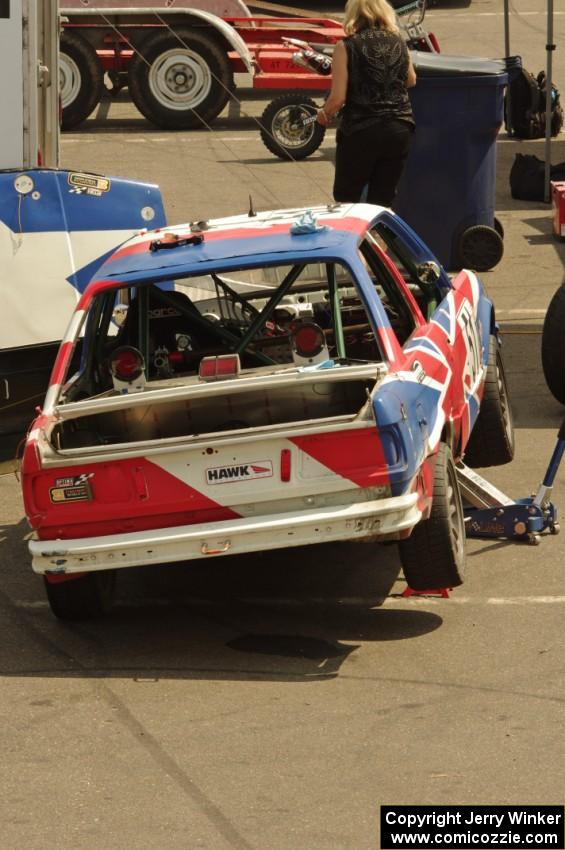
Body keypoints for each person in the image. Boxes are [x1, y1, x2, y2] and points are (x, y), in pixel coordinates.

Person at [316, 0, 417, 207]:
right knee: (382, 200)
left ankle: (355, 239)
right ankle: (378, 238)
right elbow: (411, 80)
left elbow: (337, 98)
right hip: (399, 128)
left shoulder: (347, 46)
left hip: (362, 130)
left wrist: (324, 114)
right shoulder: (399, 41)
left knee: (347, 198)